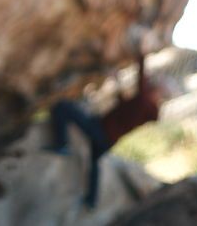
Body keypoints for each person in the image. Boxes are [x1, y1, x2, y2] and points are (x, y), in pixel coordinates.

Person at [46, 53, 163, 209]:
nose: (151, 90)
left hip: (101, 131)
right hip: (108, 140)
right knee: (94, 164)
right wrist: (117, 80)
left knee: (62, 107)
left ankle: (62, 144)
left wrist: (141, 55)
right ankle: (91, 200)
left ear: (156, 93)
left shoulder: (146, 104)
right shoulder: (144, 107)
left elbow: (142, 85)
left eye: (154, 89)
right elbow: (125, 104)